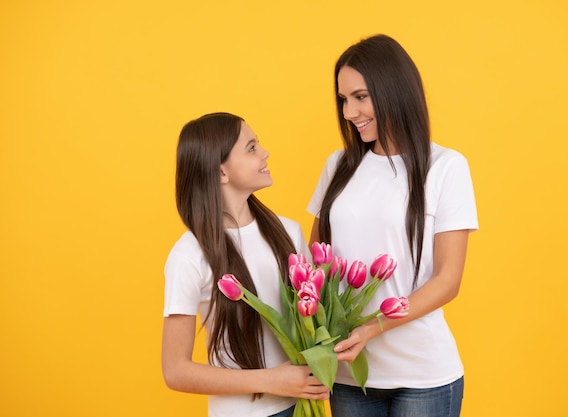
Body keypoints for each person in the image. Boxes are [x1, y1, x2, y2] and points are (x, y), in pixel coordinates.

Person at [307, 35, 478, 417]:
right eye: (344, 100)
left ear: (393, 90)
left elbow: (448, 280)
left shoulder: (445, 167)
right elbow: (315, 265)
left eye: (361, 97)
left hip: (423, 376)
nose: (350, 112)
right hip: (350, 377)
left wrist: (372, 328)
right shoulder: (338, 166)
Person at [162, 112, 329, 417]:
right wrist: (272, 381)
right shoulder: (189, 256)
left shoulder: (289, 233)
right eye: (251, 148)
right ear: (221, 172)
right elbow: (175, 371)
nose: (264, 153)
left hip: (301, 407)